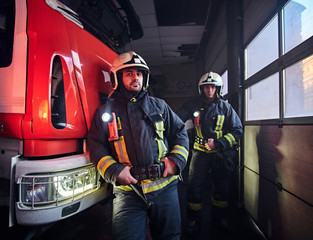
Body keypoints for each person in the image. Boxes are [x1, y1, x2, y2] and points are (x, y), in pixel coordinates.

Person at [87, 51, 189, 240]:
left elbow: (180, 133)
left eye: (140, 74)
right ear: (117, 77)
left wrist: (175, 161)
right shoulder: (106, 112)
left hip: (165, 189)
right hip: (129, 194)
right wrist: (114, 171)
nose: (136, 78)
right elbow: (96, 146)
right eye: (130, 73)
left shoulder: (160, 106)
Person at [176, 71, 243, 235]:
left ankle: (220, 218)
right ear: (201, 89)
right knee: (194, 187)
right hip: (199, 155)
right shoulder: (193, 104)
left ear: (218, 89)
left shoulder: (226, 107)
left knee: (221, 188)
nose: (209, 91)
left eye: (213, 87)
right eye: (206, 87)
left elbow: (237, 130)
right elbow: (177, 118)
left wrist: (218, 144)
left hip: (220, 154)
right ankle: (193, 219)